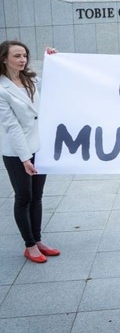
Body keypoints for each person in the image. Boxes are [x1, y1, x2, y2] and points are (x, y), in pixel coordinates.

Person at [0, 41, 59, 263]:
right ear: (4, 59)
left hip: (38, 147)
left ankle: (38, 239)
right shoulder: (2, 89)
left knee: (37, 196)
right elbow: (11, 126)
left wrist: (52, 60)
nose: (22, 59)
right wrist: (25, 158)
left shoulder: (31, 80)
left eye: (24, 55)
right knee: (24, 197)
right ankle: (30, 245)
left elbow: (54, 84)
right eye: (17, 56)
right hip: (17, 152)